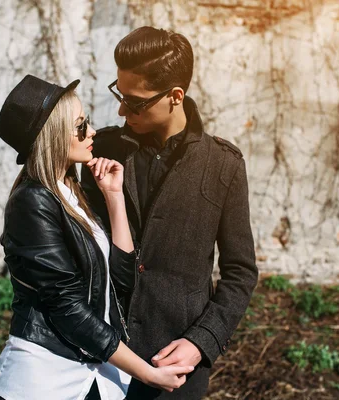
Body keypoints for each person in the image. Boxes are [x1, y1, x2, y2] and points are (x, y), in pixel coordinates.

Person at [0, 75, 193, 400]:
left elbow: (122, 279)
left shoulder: (70, 192)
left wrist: (114, 197)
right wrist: (147, 373)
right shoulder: (33, 202)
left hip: (89, 375)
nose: (92, 132)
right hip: (44, 380)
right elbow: (67, 308)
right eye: (80, 125)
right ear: (53, 136)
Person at [81, 27, 259, 399]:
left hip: (175, 367)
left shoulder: (223, 165)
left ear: (175, 97)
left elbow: (240, 273)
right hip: (97, 358)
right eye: (119, 94)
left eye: (135, 101)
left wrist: (202, 341)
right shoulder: (103, 151)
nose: (121, 109)